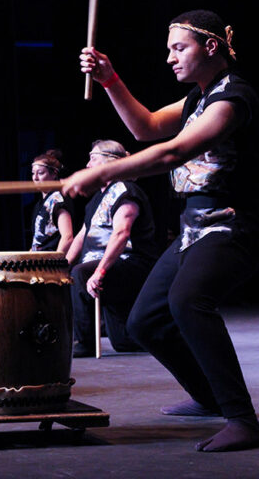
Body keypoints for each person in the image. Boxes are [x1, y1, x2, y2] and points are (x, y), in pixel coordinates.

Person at [66, 10, 259, 452]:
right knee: (145, 320)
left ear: (210, 47)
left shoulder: (233, 98)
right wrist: (110, 80)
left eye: (179, 48)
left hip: (232, 224)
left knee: (188, 300)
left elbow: (172, 152)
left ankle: (243, 419)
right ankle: (209, 397)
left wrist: (105, 174)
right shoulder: (197, 100)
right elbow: (145, 129)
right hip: (194, 228)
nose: (170, 58)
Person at [65, 140, 159, 358]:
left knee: (81, 273)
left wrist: (99, 272)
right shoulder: (98, 198)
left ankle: (85, 341)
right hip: (108, 264)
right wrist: (62, 264)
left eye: (93, 158)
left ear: (110, 162)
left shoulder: (126, 191)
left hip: (131, 263)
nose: (87, 165)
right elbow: (82, 234)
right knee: (124, 342)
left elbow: (121, 233)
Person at [29, 149, 74, 254]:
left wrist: (56, 264)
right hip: (40, 259)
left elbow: (67, 236)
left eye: (40, 173)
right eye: (33, 173)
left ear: (54, 174)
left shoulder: (57, 199)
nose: (35, 178)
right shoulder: (40, 203)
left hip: (50, 262)